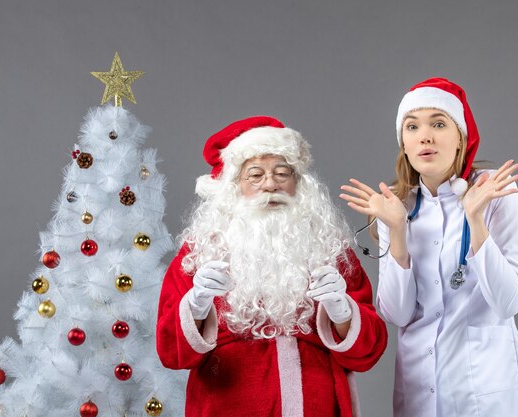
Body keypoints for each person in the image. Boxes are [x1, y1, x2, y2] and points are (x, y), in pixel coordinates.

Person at [156, 116, 388, 417]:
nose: (270, 185)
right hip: (227, 403)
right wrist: (196, 308)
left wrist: (343, 312)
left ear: (299, 183)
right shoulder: (199, 252)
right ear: (233, 186)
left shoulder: (329, 248)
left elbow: (367, 354)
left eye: (282, 173)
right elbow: (171, 353)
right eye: (255, 175)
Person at [340, 78, 518, 417]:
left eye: (438, 123)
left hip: (486, 387)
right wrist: (398, 231)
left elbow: (509, 302)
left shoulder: (494, 193)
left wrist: (476, 220)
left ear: (460, 137)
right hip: (420, 387)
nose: (425, 136)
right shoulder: (397, 205)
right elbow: (397, 314)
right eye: (412, 126)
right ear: (403, 143)